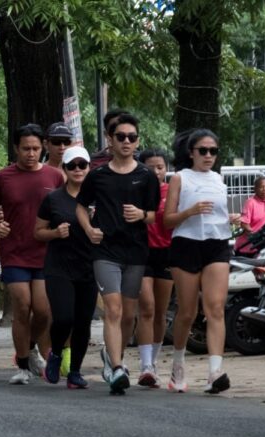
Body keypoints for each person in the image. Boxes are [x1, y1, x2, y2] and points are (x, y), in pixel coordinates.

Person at [75, 113, 160, 394]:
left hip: (135, 252)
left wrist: (141, 214)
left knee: (128, 315)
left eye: (132, 137)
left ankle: (113, 362)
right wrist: (88, 229)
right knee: (113, 309)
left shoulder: (146, 176)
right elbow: (80, 206)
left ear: (137, 141)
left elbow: (153, 215)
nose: (126, 141)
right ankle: (118, 367)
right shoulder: (97, 175)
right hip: (105, 250)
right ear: (110, 140)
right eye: (120, 136)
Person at [0, 123, 64, 385]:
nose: (31, 154)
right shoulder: (2, 178)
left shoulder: (54, 176)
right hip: (15, 251)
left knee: (42, 310)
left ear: (43, 149)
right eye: (26, 149)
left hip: (47, 252)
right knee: (22, 305)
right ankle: (22, 365)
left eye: (36, 149)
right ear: (16, 148)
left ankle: (30, 348)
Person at [164, 129, 239, 394]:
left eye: (213, 151)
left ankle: (214, 372)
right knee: (187, 312)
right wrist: (190, 211)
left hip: (217, 245)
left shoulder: (219, 180)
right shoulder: (180, 178)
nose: (209, 156)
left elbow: (216, 213)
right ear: (191, 152)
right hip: (186, 245)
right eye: (203, 151)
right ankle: (178, 366)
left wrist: (232, 218)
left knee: (216, 308)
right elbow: (167, 220)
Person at [35, 146, 96, 389]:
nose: (78, 170)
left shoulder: (97, 198)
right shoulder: (53, 199)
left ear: (89, 168)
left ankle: (75, 372)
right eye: (73, 166)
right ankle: (56, 352)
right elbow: (37, 233)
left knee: (83, 322)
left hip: (89, 267)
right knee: (63, 318)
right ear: (65, 169)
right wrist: (54, 232)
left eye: (83, 165)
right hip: (59, 267)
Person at [135, 148, 174, 387]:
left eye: (160, 167)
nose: (157, 171)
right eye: (151, 167)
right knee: (147, 307)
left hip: (167, 254)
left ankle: (154, 361)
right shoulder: (135, 191)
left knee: (161, 311)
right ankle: (145, 365)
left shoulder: (173, 192)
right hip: (141, 253)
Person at [234, 176, 265, 256]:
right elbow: (244, 223)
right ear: (255, 189)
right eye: (261, 187)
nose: (264, 189)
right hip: (247, 247)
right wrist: (254, 236)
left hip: (263, 245)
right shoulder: (250, 203)